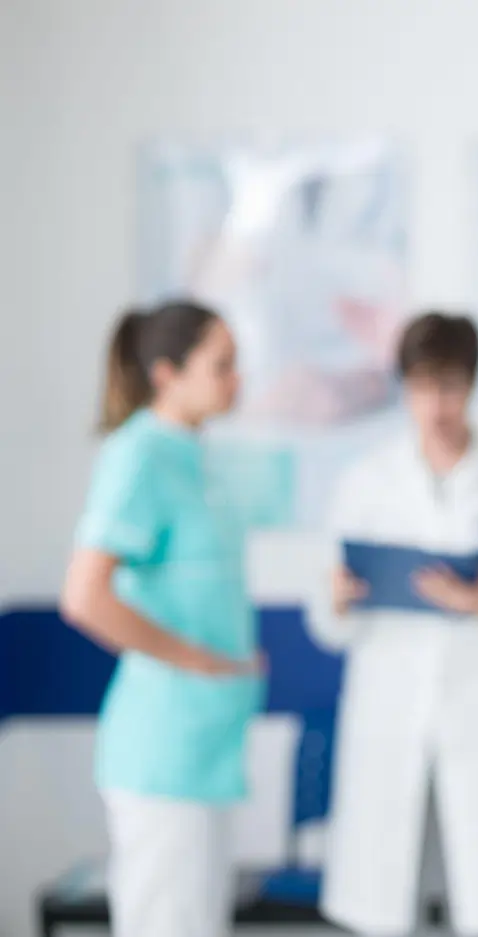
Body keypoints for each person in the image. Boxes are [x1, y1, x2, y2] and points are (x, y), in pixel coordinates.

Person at [307, 311, 478, 937]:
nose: (437, 404)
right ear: (404, 387)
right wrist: (341, 599)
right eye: (424, 387)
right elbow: (326, 622)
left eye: (451, 386)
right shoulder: (367, 481)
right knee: (384, 902)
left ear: (474, 385)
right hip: (389, 707)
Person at [59, 301, 264, 937]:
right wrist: (198, 661)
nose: (238, 379)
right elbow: (84, 596)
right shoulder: (138, 455)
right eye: (222, 365)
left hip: (207, 746)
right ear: (166, 373)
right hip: (163, 749)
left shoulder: (194, 456)